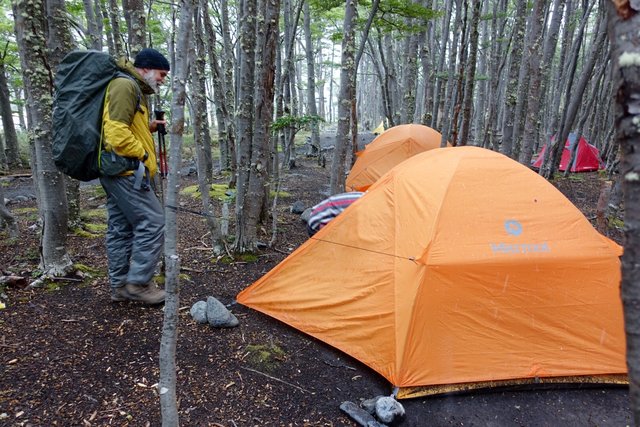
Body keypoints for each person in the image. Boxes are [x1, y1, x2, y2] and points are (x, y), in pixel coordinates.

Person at [101, 48, 170, 304]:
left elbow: (125, 126)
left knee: (120, 228)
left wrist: (149, 128)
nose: (162, 79)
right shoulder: (124, 86)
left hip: (118, 170)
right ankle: (139, 284)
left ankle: (120, 286)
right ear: (147, 68)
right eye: (161, 73)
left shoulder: (131, 88)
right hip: (127, 171)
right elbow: (116, 133)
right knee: (153, 221)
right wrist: (141, 154)